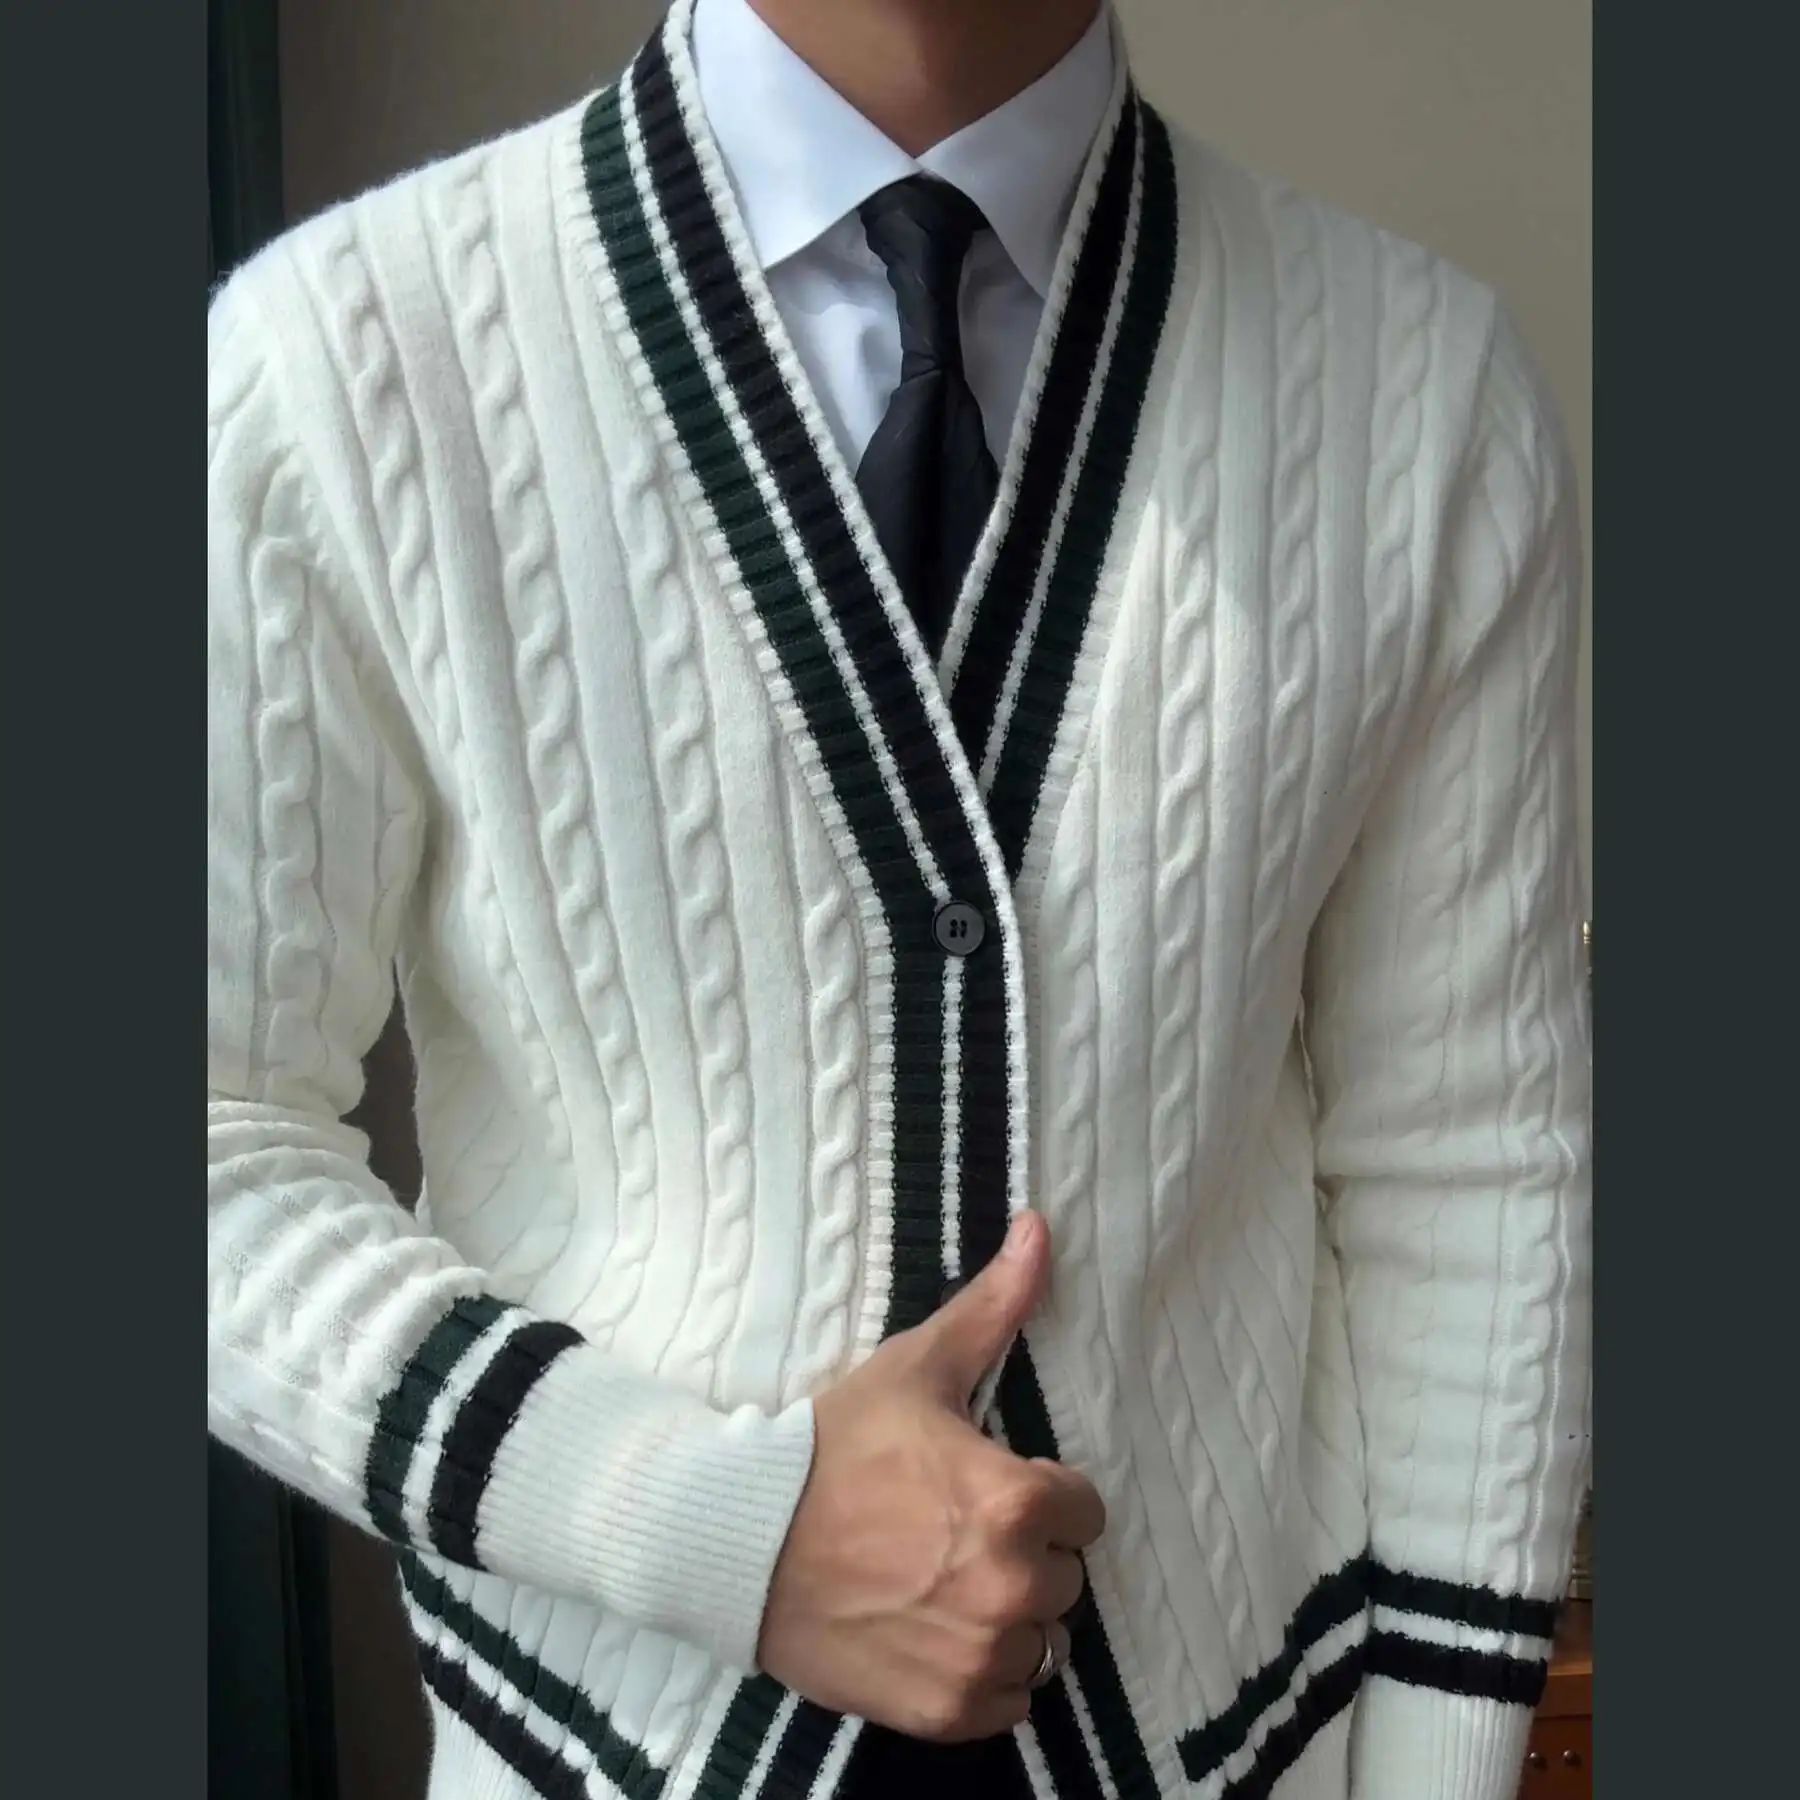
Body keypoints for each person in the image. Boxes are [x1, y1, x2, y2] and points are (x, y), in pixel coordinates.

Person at [205, 0, 1592, 1796]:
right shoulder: (336, 365)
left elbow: (1467, 1151)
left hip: (1224, 1737)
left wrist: (1442, 1767)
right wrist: (701, 1520)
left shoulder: (1422, 395)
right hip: (615, 1740)